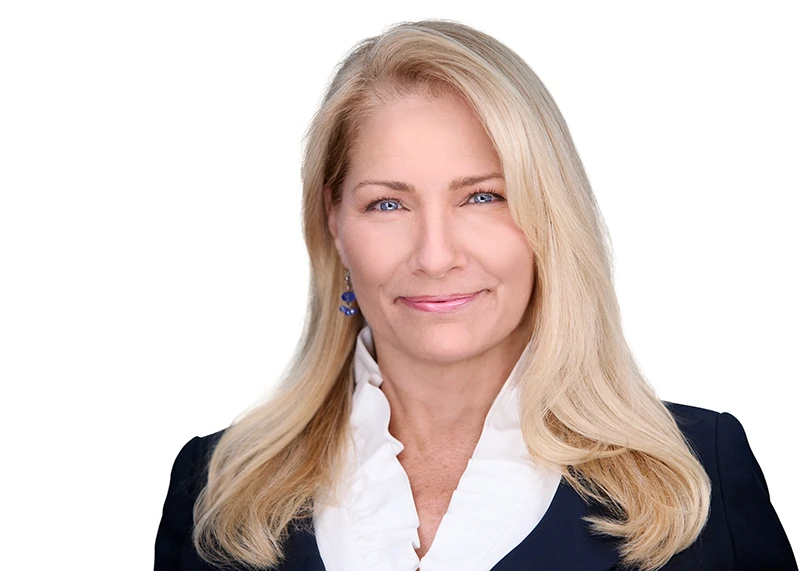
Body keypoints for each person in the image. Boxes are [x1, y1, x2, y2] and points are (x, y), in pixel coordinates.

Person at [154, 20, 796, 571]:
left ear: (549, 213)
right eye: (387, 203)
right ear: (334, 222)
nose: (435, 255)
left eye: (482, 196)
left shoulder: (694, 474)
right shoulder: (216, 488)